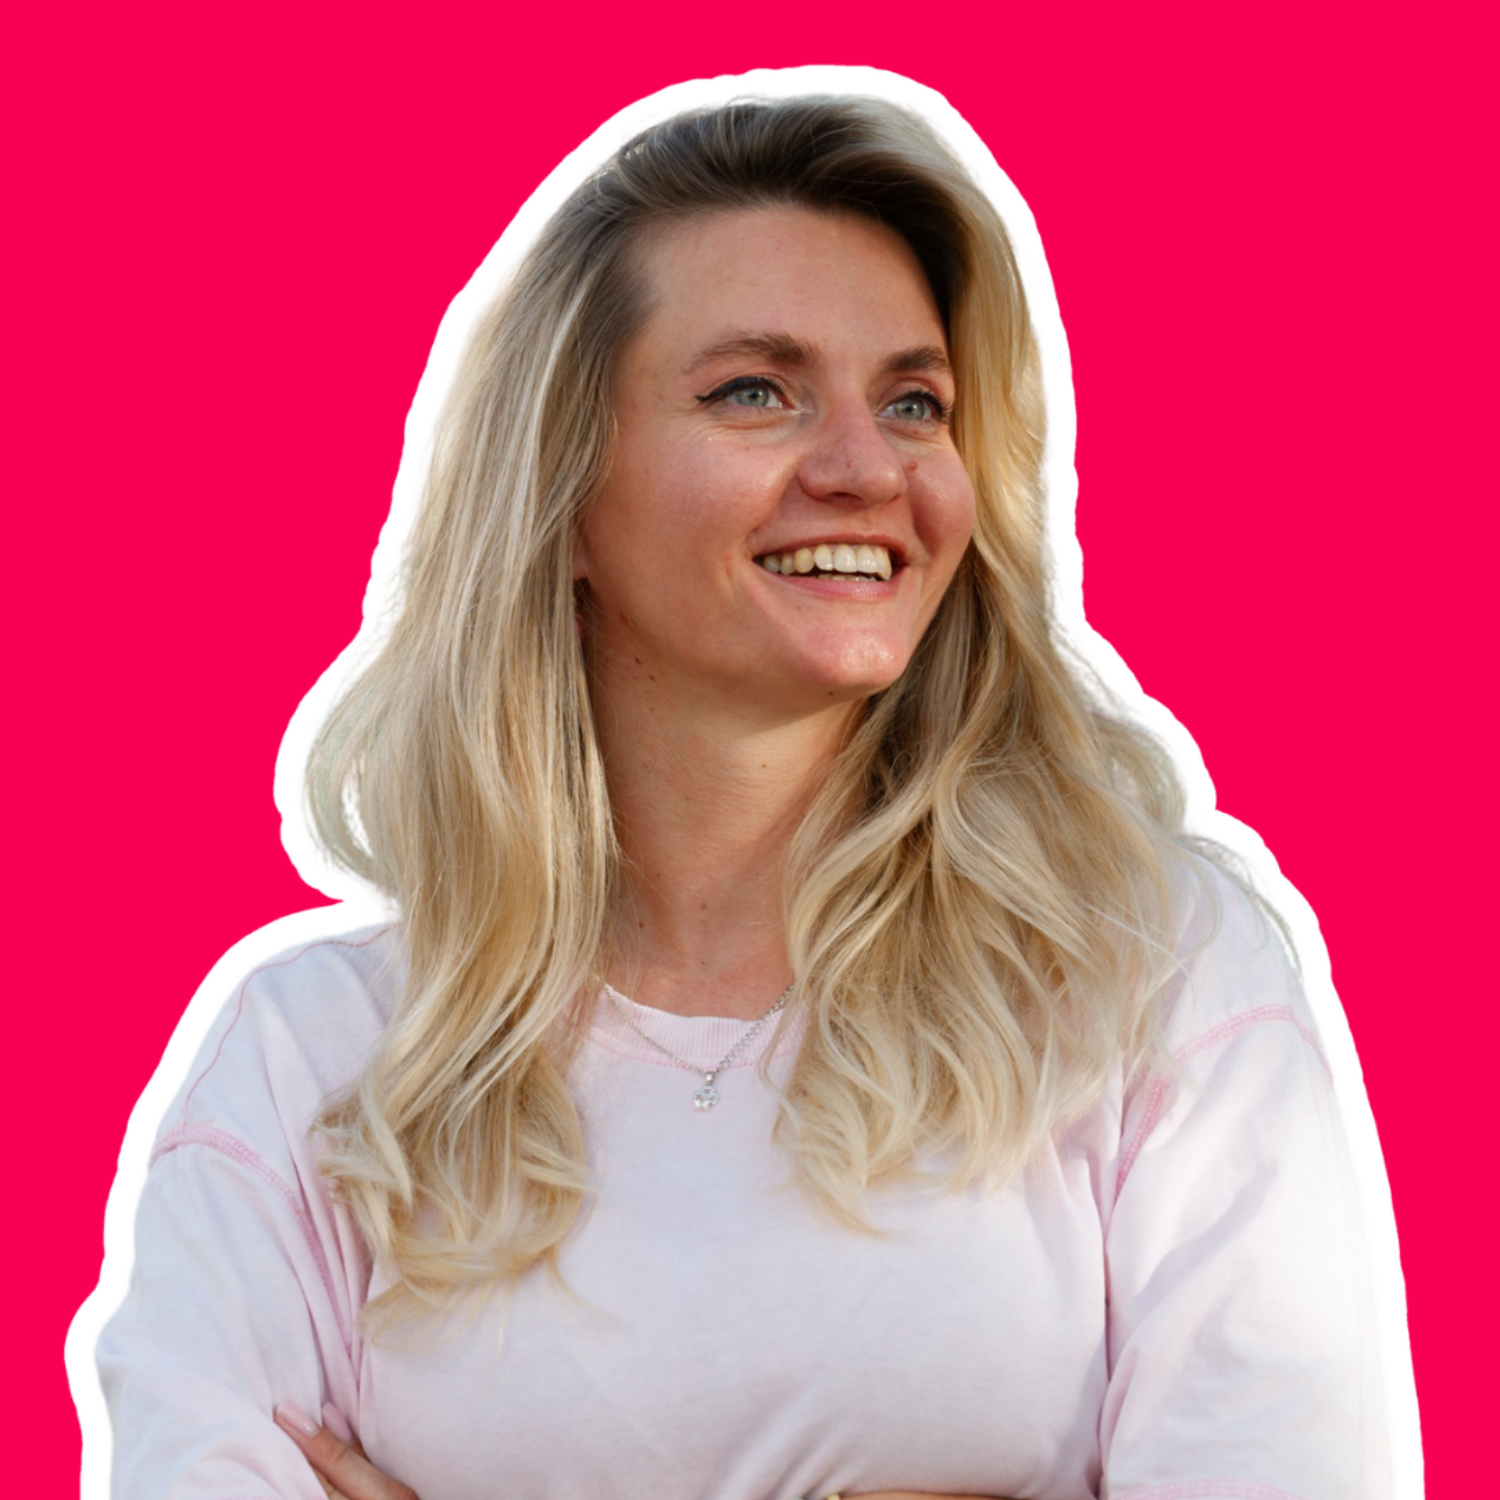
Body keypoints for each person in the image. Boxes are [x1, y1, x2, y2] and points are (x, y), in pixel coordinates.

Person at [91, 79, 1394, 1500]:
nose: (866, 467)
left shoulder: (1151, 976)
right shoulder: (318, 1065)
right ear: (561, 490)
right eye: (755, 392)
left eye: (915, 402)